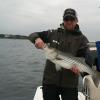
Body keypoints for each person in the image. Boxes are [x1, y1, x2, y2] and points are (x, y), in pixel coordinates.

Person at [29, 8, 92, 100]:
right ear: (63, 20)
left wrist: (80, 71)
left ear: (76, 20)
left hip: (70, 84)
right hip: (50, 81)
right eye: (66, 19)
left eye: (72, 19)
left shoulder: (82, 39)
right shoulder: (53, 33)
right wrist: (36, 39)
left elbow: (84, 58)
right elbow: (32, 35)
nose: (69, 21)